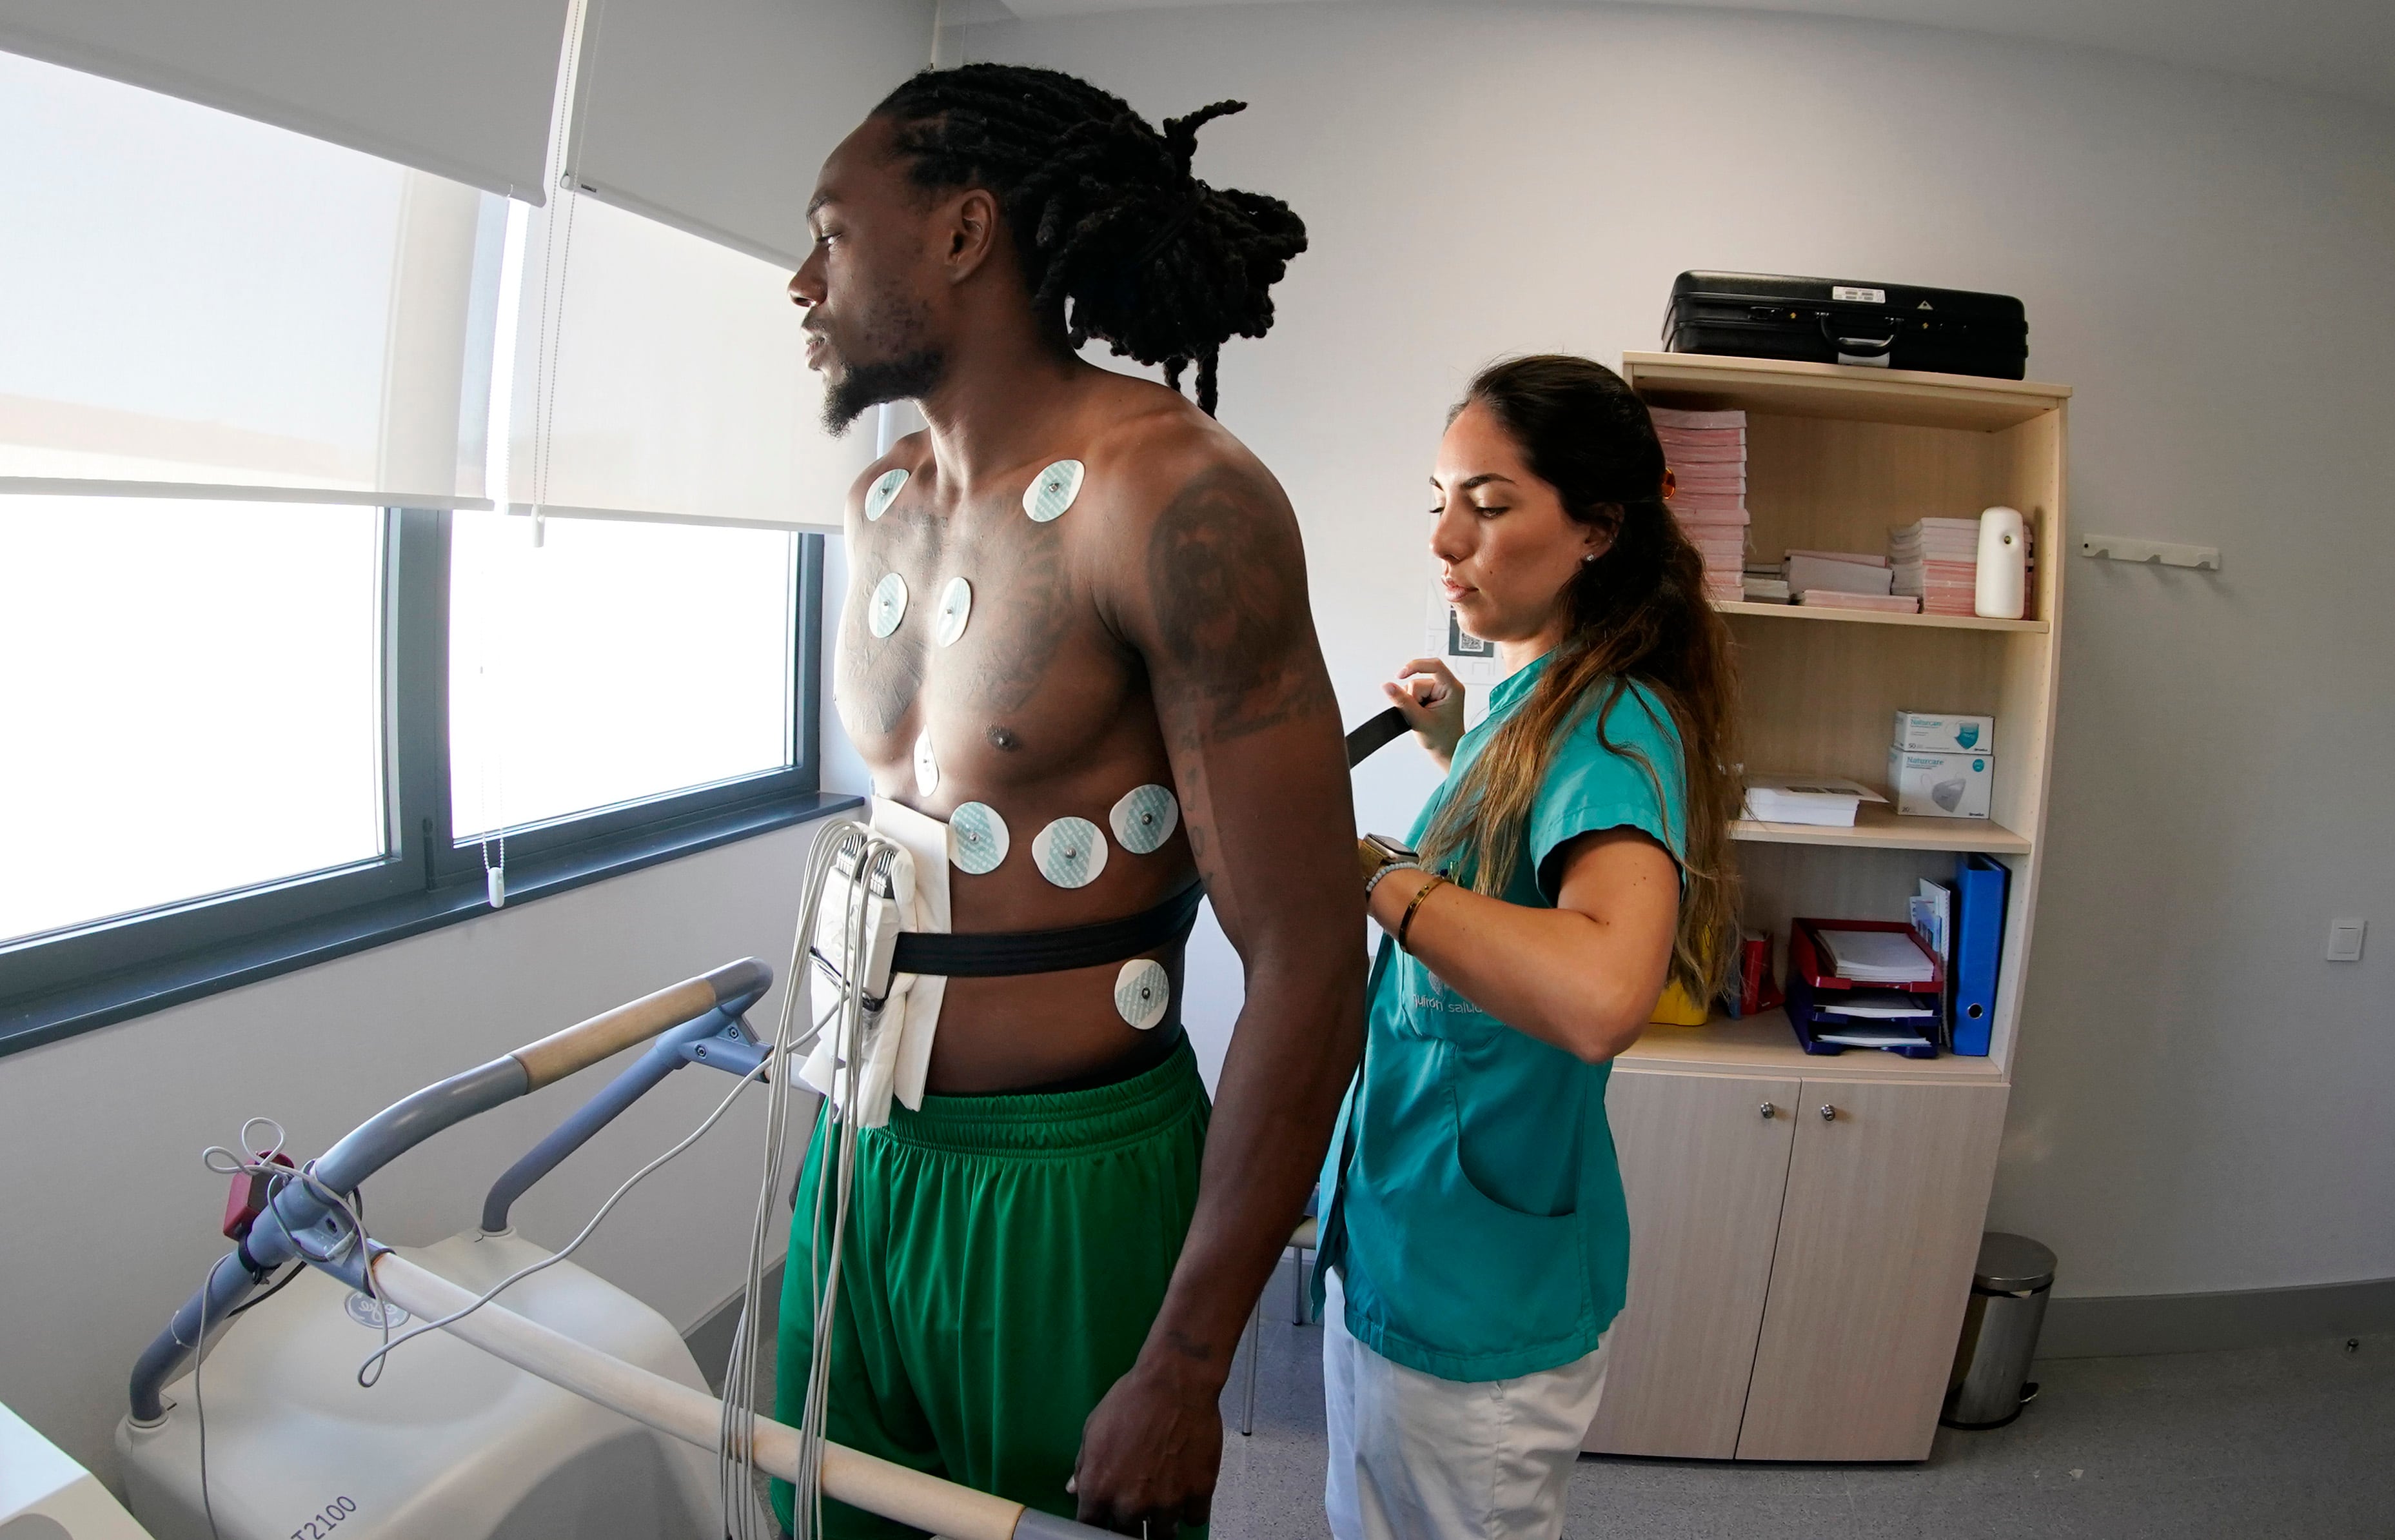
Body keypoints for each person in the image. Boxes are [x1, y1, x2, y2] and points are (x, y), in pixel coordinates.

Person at [776, 63, 1366, 1539]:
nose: (801, 282)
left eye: (833, 235)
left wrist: (1185, 1363)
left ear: (966, 234)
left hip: (1070, 1192)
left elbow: (1307, 960)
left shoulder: (1174, 497)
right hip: (864, 1153)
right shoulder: (884, 499)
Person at [1323, 355, 1744, 1540]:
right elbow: (1515, 856)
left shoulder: (1611, 721)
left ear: (1598, 529)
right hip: (1408, 1232)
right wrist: (1453, 750)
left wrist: (1379, 877)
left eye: (1492, 506)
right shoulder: (1532, 690)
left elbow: (1603, 989)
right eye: (1439, 501)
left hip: (1476, 1293)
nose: (1447, 539)